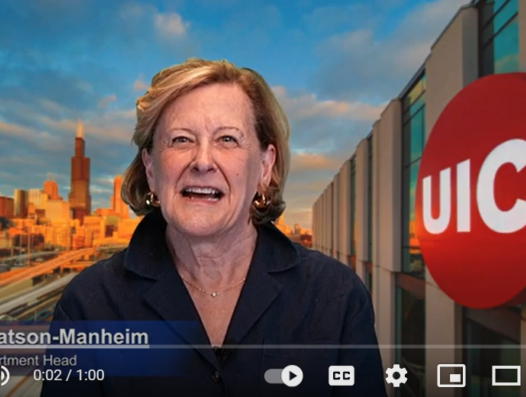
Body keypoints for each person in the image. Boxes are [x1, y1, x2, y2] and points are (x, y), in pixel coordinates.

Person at [41, 58, 387, 397]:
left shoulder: (336, 297)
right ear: (150, 168)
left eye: (227, 140)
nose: (202, 161)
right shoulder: (89, 305)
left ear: (265, 167)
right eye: (180, 139)